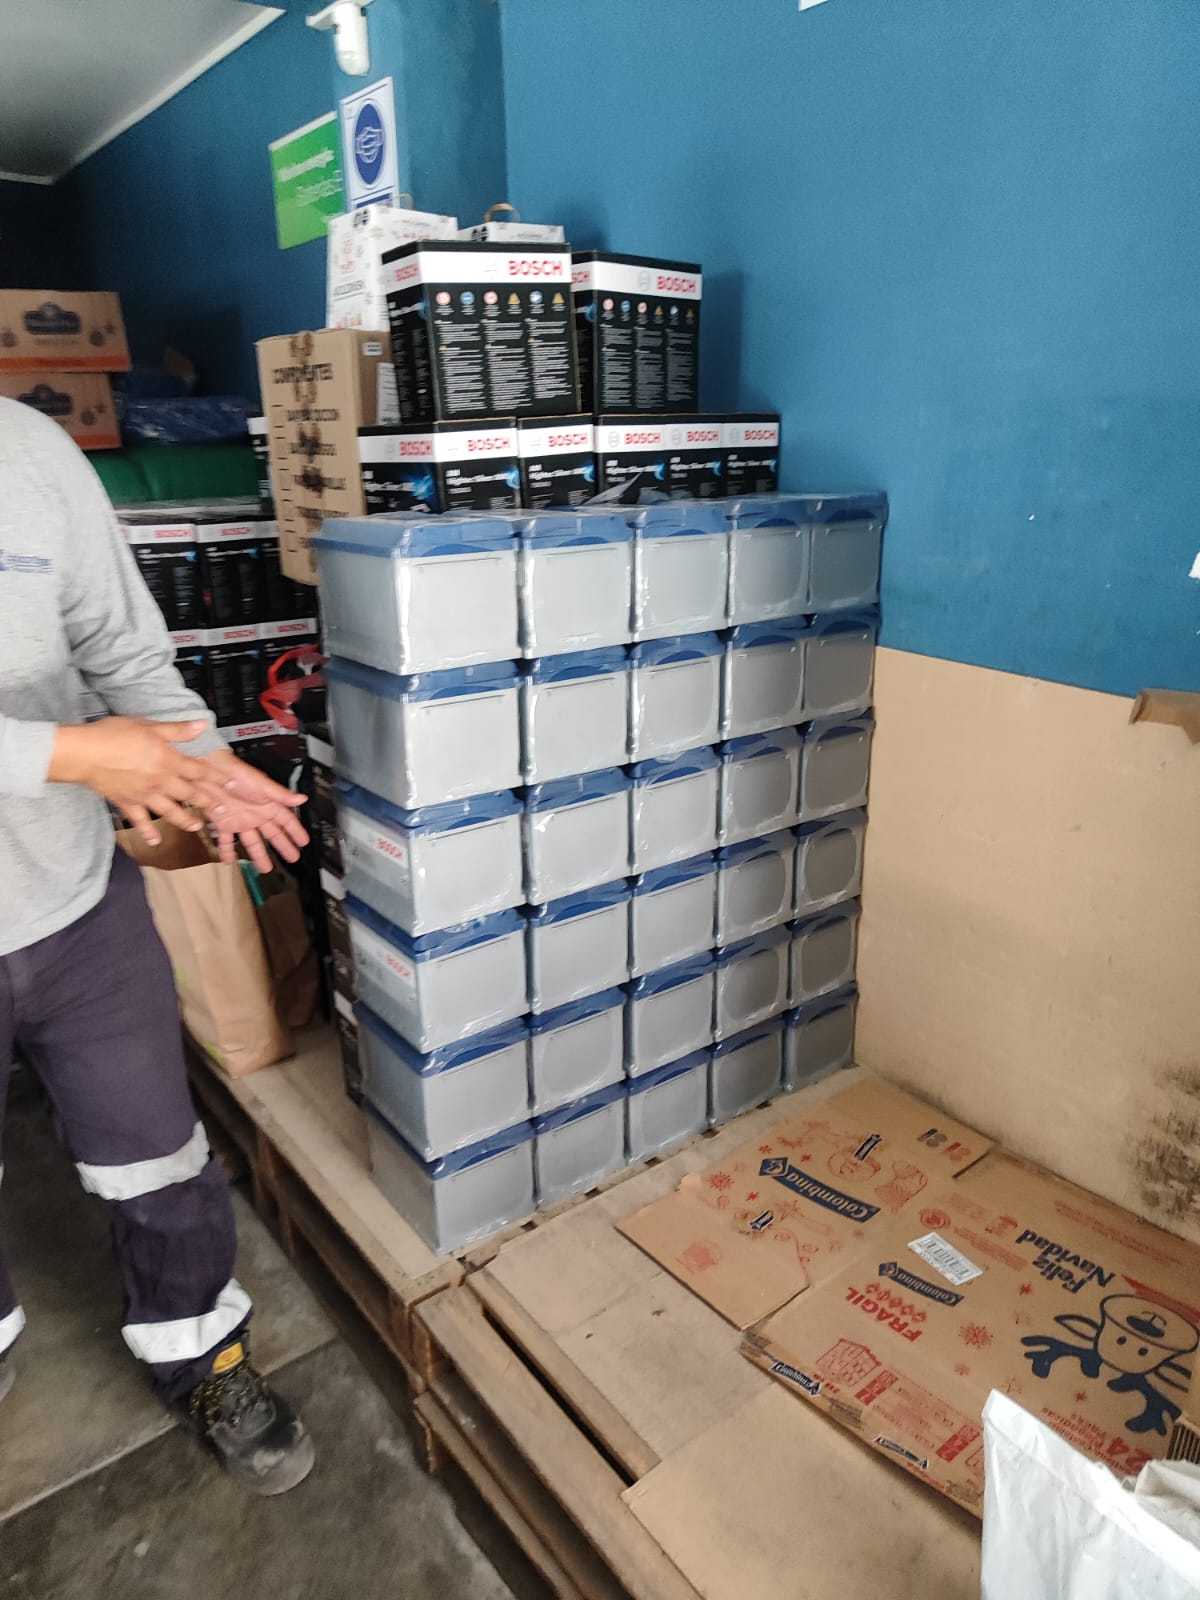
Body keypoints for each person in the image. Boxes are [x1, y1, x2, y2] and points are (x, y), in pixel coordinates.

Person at [0, 397, 315, 1495]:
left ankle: (198, 1349)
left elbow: (119, 647)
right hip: (65, 811)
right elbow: (83, 746)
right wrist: (74, 756)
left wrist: (201, 761)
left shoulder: (27, 449)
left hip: (77, 900)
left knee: (156, 1151)